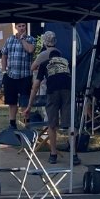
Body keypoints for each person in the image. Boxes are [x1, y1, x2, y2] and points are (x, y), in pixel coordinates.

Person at [26, 31, 74, 162]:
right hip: (67, 89)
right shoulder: (65, 60)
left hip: (52, 90)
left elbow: (35, 85)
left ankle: (53, 154)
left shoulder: (44, 60)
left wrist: (29, 105)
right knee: (70, 122)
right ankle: (74, 154)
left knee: (52, 123)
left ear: (44, 42)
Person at [0, 22, 36, 130]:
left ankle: (26, 123)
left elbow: (30, 50)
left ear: (26, 27)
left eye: (23, 26)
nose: (21, 28)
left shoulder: (30, 39)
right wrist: (3, 71)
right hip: (11, 75)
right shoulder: (9, 39)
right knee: (12, 101)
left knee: (24, 101)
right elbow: (4, 55)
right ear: (15, 27)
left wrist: (22, 39)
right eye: (19, 26)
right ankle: (12, 123)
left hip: (25, 76)